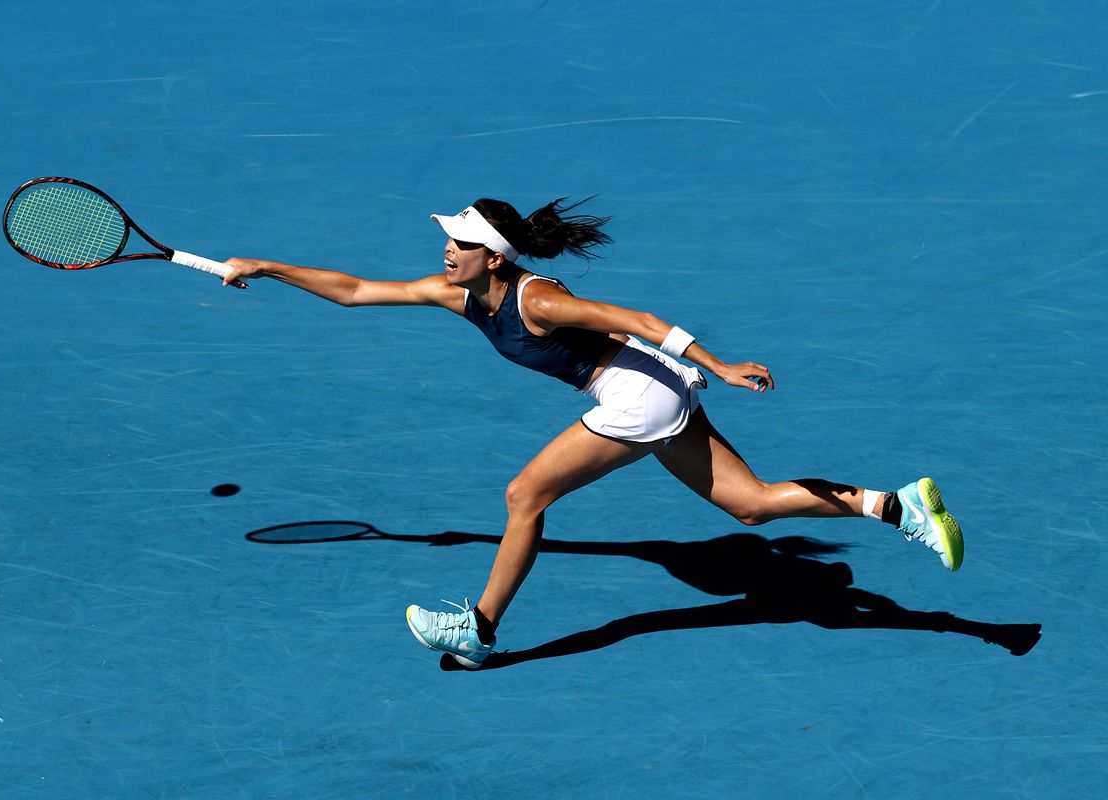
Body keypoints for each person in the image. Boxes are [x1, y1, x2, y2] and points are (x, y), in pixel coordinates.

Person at [220, 197, 964, 669]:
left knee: (524, 497)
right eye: (449, 239)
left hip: (639, 392)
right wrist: (267, 266)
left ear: (493, 256)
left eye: (458, 242)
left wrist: (721, 364)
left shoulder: (538, 302)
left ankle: (478, 630)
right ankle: (897, 507)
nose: (446, 249)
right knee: (753, 505)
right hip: (651, 388)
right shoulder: (459, 296)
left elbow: (638, 322)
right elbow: (354, 292)